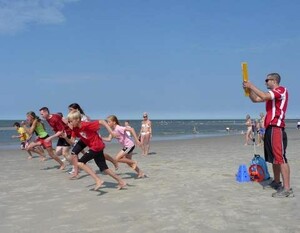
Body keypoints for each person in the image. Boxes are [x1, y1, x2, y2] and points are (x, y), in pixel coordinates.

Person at [243, 73, 293, 198]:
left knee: (280, 158)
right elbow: (256, 99)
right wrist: (248, 91)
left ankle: (287, 189)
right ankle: (276, 182)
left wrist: (251, 85)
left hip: (277, 127)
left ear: (274, 80)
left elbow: (264, 95)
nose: (265, 82)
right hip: (269, 128)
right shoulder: (271, 97)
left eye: (267, 80)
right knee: (274, 158)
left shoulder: (281, 90)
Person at [63, 110, 126, 190]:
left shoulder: (86, 125)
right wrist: (65, 137)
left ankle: (98, 180)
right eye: (69, 121)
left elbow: (102, 122)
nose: (69, 123)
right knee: (104, 168)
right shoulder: (75, 129)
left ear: (77, 120)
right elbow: (72, 141)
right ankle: (121, 182)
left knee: (80, 163)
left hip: (96, 147)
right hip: (96, 147)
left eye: (71, 121)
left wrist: (111, 132)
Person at [67, 103, 118, 178]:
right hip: (83, 138)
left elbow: (94, 126)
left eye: (71, 110)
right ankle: (76, 171)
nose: (69, 111)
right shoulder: (72, 119)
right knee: (74, 153)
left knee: (99, 153)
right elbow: (74, 133)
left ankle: (113, 160)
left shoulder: (83, 118)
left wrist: (111, 132)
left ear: (77, 110)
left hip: (91, 138)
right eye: (69, 110)